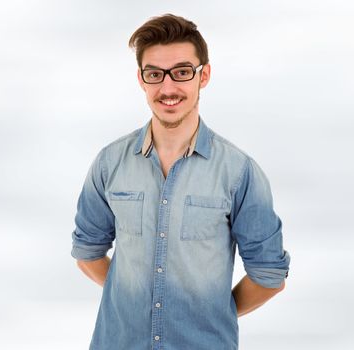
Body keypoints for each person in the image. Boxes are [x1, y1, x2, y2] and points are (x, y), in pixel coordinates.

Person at [71, 13, 291, 350]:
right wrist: (134, 300)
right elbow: (87, 252)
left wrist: (210, 312)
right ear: (141, 80)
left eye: (183, 72)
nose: (168, 88)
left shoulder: (238, 172)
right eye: (155, 74)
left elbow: (270, 277)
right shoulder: (109, 163)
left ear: (204, 76)